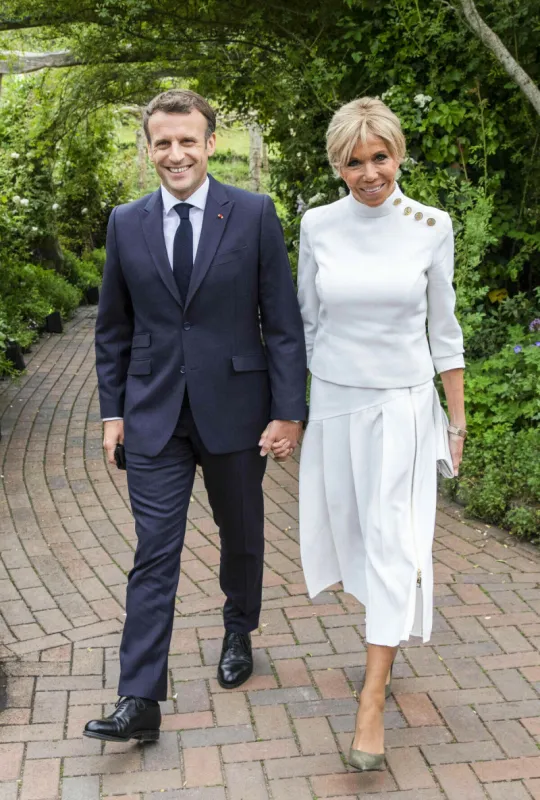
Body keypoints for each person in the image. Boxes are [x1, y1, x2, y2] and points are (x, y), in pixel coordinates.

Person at [85, 89, 306, 743]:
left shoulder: (254, 214)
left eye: (188, 140)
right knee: (155, 553)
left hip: (238, 408)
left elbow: (284, 325)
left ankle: (239, 628)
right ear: (148, 148)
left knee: (240, 535)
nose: (175, 153)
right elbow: (112, 329)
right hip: (154, 415)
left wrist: (290, 412)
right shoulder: (125, 222)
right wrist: (112, 413)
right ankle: (139, 697)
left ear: (209, 144)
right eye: (163, 142)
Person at [295, 97, 466, 771]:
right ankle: (382, 639)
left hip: (402, 407)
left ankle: (371, 697)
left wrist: (456, 420)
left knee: (395, 542)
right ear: (337, 164)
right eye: (354, 161)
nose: (370, 174)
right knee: (354, 542)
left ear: (398, 154)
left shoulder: (431, 225)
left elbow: (445, 331)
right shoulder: (317, 226)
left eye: (381, 157)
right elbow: (307, 323)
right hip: (337, 402)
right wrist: (295, 411)